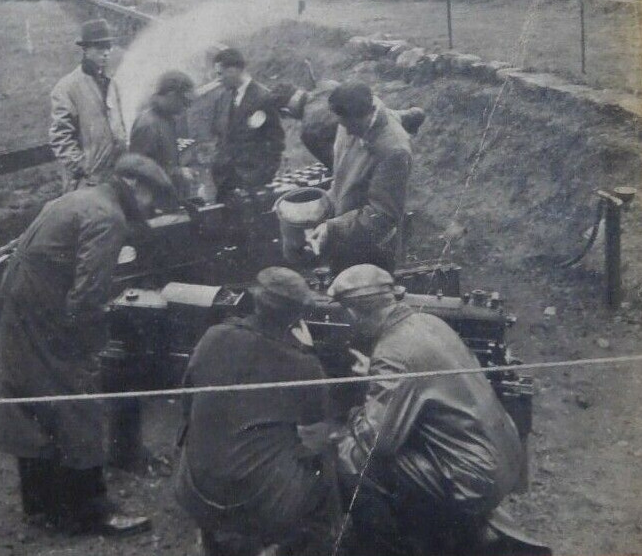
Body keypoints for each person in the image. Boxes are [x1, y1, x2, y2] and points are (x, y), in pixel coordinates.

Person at [0, 154, 176, 537]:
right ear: (134, 186)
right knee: (78, 402)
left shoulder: (80, 197)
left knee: (32, 402)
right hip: (47, 314)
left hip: (21, 306)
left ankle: (41, 506)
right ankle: (92, 511)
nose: (152, 207)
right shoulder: (108, 218)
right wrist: (92, 345)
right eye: (152, 197)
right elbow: (86, 297)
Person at [325, 264, 534, 556]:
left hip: (473, 479)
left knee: (350, 455)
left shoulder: (393, 352)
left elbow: (377, 442)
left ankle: (392, 548)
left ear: (353, 313)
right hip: (501, 457)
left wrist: (342, 422)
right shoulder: (428, 322)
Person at [174, 267, 341, 556]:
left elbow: (187, 401)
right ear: (298, 314)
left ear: (254, 299)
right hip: (259, 502)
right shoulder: (304, 364)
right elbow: (315, 437)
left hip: (194, 490)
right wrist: (308, 351)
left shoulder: (214, 336)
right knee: (329, 459)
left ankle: (215, 536)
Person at [304, 82, 413, 274]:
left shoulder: (394, 151)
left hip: (372, 250)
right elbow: (344, 176)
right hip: (345, 233)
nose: (346, 132)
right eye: (342, 124)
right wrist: (325, 206)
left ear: (365, 115)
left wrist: (332, 229)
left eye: (350, 125)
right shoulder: (350, 121)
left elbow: (383, 216)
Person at [49, 18, 128, 193]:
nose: (105, 53)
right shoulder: (67, 88)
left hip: (114, 175)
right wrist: (82, 168)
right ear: (85, 50)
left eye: (108, 47)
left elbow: (119, 124)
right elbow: (60, 137)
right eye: (99, 48)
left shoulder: (112, 84)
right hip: (86, 182)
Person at [210, 47, 285, 202]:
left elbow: (275, 144)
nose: (218, 79)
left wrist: (259, 179)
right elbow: (221, 136)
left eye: (220, 74)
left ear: (233, 70)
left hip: (252, 185)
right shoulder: (223, 98)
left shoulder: (263, 98)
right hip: (225, 183)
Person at [129, 70, 196, 198]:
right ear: (171, 95)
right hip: (152, 201)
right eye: (184, 102)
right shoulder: (148, 125)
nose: (186, 108)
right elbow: (141, 170)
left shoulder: (166, 120)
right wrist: (179, 174)